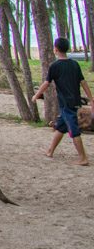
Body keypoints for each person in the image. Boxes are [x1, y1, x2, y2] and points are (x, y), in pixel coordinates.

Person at [32, 37, 90, 166]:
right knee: (61, 127)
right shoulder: (75, 64)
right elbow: (83, 82)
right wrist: (91, 98)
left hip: (67, 104)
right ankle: (50, 151)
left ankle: (83, 158)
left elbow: (46, 84)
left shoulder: (55, 66)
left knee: (73, 130)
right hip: (72, 102)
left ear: (56, 49)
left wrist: (36, 95)